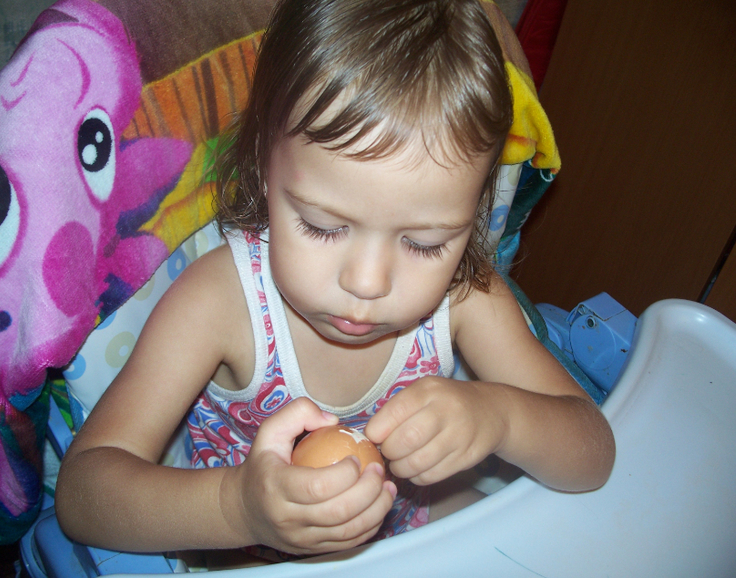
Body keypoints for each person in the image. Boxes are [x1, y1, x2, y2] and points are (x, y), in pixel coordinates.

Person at [56, 0, 615, 560]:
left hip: (410, 538)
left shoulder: (467, 297)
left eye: (424, 243)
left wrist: (501, 418)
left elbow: (594, 451)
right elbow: (83, 495)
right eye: (323, 227)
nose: (367, 283)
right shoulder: (219, 303)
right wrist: (237, 508)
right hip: (250, 557)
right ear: (264, 167)